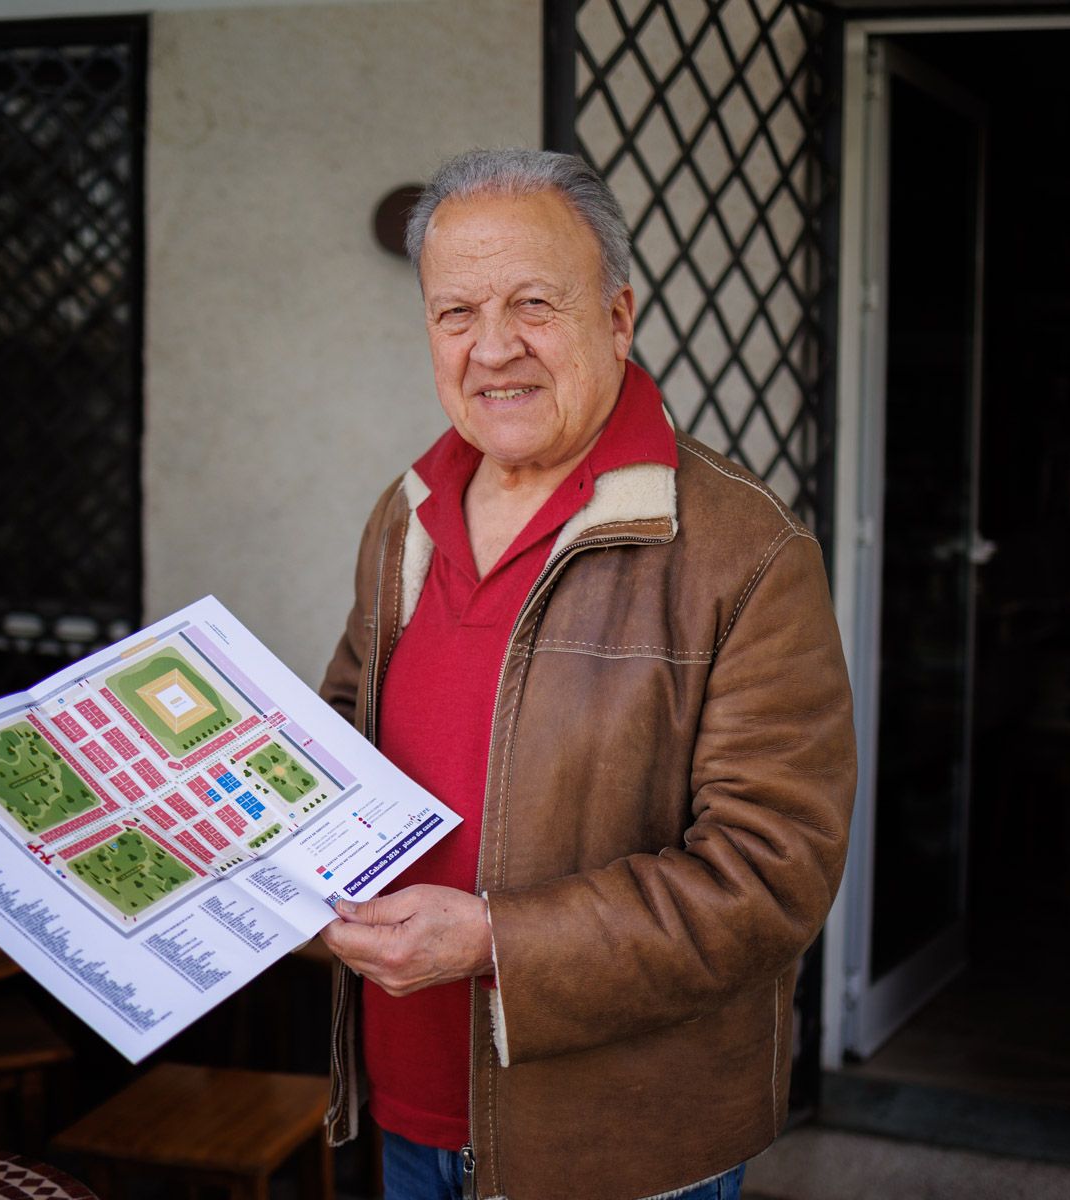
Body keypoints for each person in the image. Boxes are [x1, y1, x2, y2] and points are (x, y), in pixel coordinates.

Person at [317, 148, 857, 1200]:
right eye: (456, 312)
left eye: (534, 304)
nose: (493, 348)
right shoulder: (408, 515)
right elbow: (345, 729)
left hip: (618, 1144)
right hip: (405, 1105)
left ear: (617, 317)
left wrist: (494, 941)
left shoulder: (743, 549)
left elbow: (770, 871)